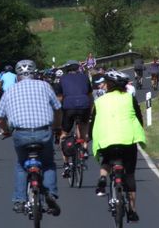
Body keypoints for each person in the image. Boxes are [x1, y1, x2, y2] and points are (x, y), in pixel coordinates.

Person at [0, 60, 61, 216]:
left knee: (21, 165)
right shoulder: (44, 86)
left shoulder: (11, 91)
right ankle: (50, 193)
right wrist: (57, 127)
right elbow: (58, 109)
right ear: (35, 73)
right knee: (48, 163)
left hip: (21, 134)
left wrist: (6, 131)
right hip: (43, 132)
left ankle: (19, 200)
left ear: (18, 76)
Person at [90, 70, 145, 222]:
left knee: (107, 159)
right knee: (129, 175)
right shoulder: (129, 98)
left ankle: (102, 177)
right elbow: (139, 119)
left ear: (108, 85)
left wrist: (89, 136)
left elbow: (93, 122)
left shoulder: (100, 101)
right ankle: (132, 210)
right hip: (128, 141)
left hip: (107, 140)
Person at [56, 60, 93, 178]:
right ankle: (85, 149)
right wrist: (90, 108)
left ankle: (66, 164)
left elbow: (60, 98)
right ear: (78, 68)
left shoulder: (62, 79)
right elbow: (89, 95)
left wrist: (59, 112)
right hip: (84, 105)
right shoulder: (85, 77)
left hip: (69, 107)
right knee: (83, 124)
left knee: (63, 134)